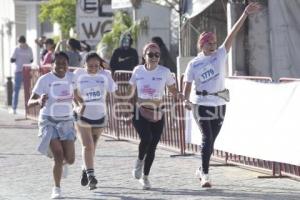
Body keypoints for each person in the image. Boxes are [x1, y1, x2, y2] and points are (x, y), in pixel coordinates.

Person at [183, 2, 261, 188]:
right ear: (202, 45)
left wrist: (244, 14)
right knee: (206, 138)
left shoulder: (220, 54)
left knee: (212, 140)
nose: (213, 45)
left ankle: (201, 168)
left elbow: (232, 34)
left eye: (214, 42)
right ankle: (206, 175)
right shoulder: (194, 64)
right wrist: (186, 99)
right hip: (201, 102)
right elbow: (187, 84)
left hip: (219, 101)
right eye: (209, 43)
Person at [128, 42, 183, 189]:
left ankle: (145, 177)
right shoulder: (138, 70)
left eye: (156, 55)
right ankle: (139, 161)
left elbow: (172, 89)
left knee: (152, 147)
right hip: (140, 111)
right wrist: (127, 107)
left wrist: (179, 95)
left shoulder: (165, 72)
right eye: (150, 54)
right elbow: (130, 91)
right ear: (144, 56)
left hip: (158, 113)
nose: (153, 57)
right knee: (146, 138)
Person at [27, 52, 76, 199]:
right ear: (52, 64)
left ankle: (63, 164)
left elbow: (78, 97)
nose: (61, 66)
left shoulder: (72, 78)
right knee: (58, 155)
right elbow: (29, 103)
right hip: (49, 121)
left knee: (71, 159)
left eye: (64, 63)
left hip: (67, 121)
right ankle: (57, 188)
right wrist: (39, 100)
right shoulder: (45, 79)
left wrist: (80, 106)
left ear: (68, 65)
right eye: (58, 63)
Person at [73, 52, 117, 190]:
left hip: (100, 116)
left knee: (93, 147)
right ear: (84, 64)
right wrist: (78, 106)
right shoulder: (78, 74)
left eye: (96, 66)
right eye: (90, 66)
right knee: (87, 146)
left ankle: (85, 169)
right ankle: (92, 177)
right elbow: (72, 93)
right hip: (82, 115)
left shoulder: (105, 75)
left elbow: (113, 91)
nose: (93, 68)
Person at [10, 35, 33, 114]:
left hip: (18, 71)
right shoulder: (29, 49)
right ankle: (28, 109)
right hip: (27, 71)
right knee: (28, 91)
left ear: (19, 41)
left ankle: (14, 108)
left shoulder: (16, 48)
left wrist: (18, 60)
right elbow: (31, 60)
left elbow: (12, 59)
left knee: (16, 90)